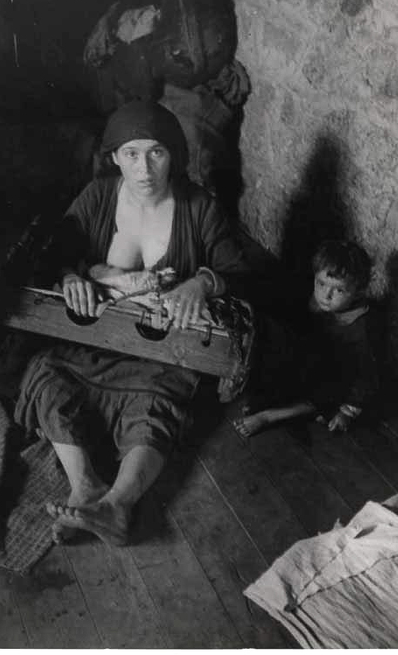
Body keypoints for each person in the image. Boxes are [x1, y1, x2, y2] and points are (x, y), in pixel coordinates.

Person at [15, 100, 249, 546]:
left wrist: (202, 282)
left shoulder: (199, 207)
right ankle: (85, 486)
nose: (144, 168)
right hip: (96, 340)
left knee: (158, 400)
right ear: (115, 157)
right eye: (132, 154)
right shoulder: (98, 197)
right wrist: (69, 277)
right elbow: (53, 254)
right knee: (45, 374)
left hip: (163, 351)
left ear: (174, 155)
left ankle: (118, 505)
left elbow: (240, 271)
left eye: (156, 152)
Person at [233, 240, 378, 437]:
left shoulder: (360, 330)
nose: (326, 295)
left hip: (332, 380)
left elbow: (364, 378)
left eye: (339, 290)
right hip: (308, 362)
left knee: (325, 393)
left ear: (358, 292)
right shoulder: (318, 301)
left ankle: (269, 416)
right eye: (321, 283)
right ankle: (269, 399)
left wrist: (347, 412)